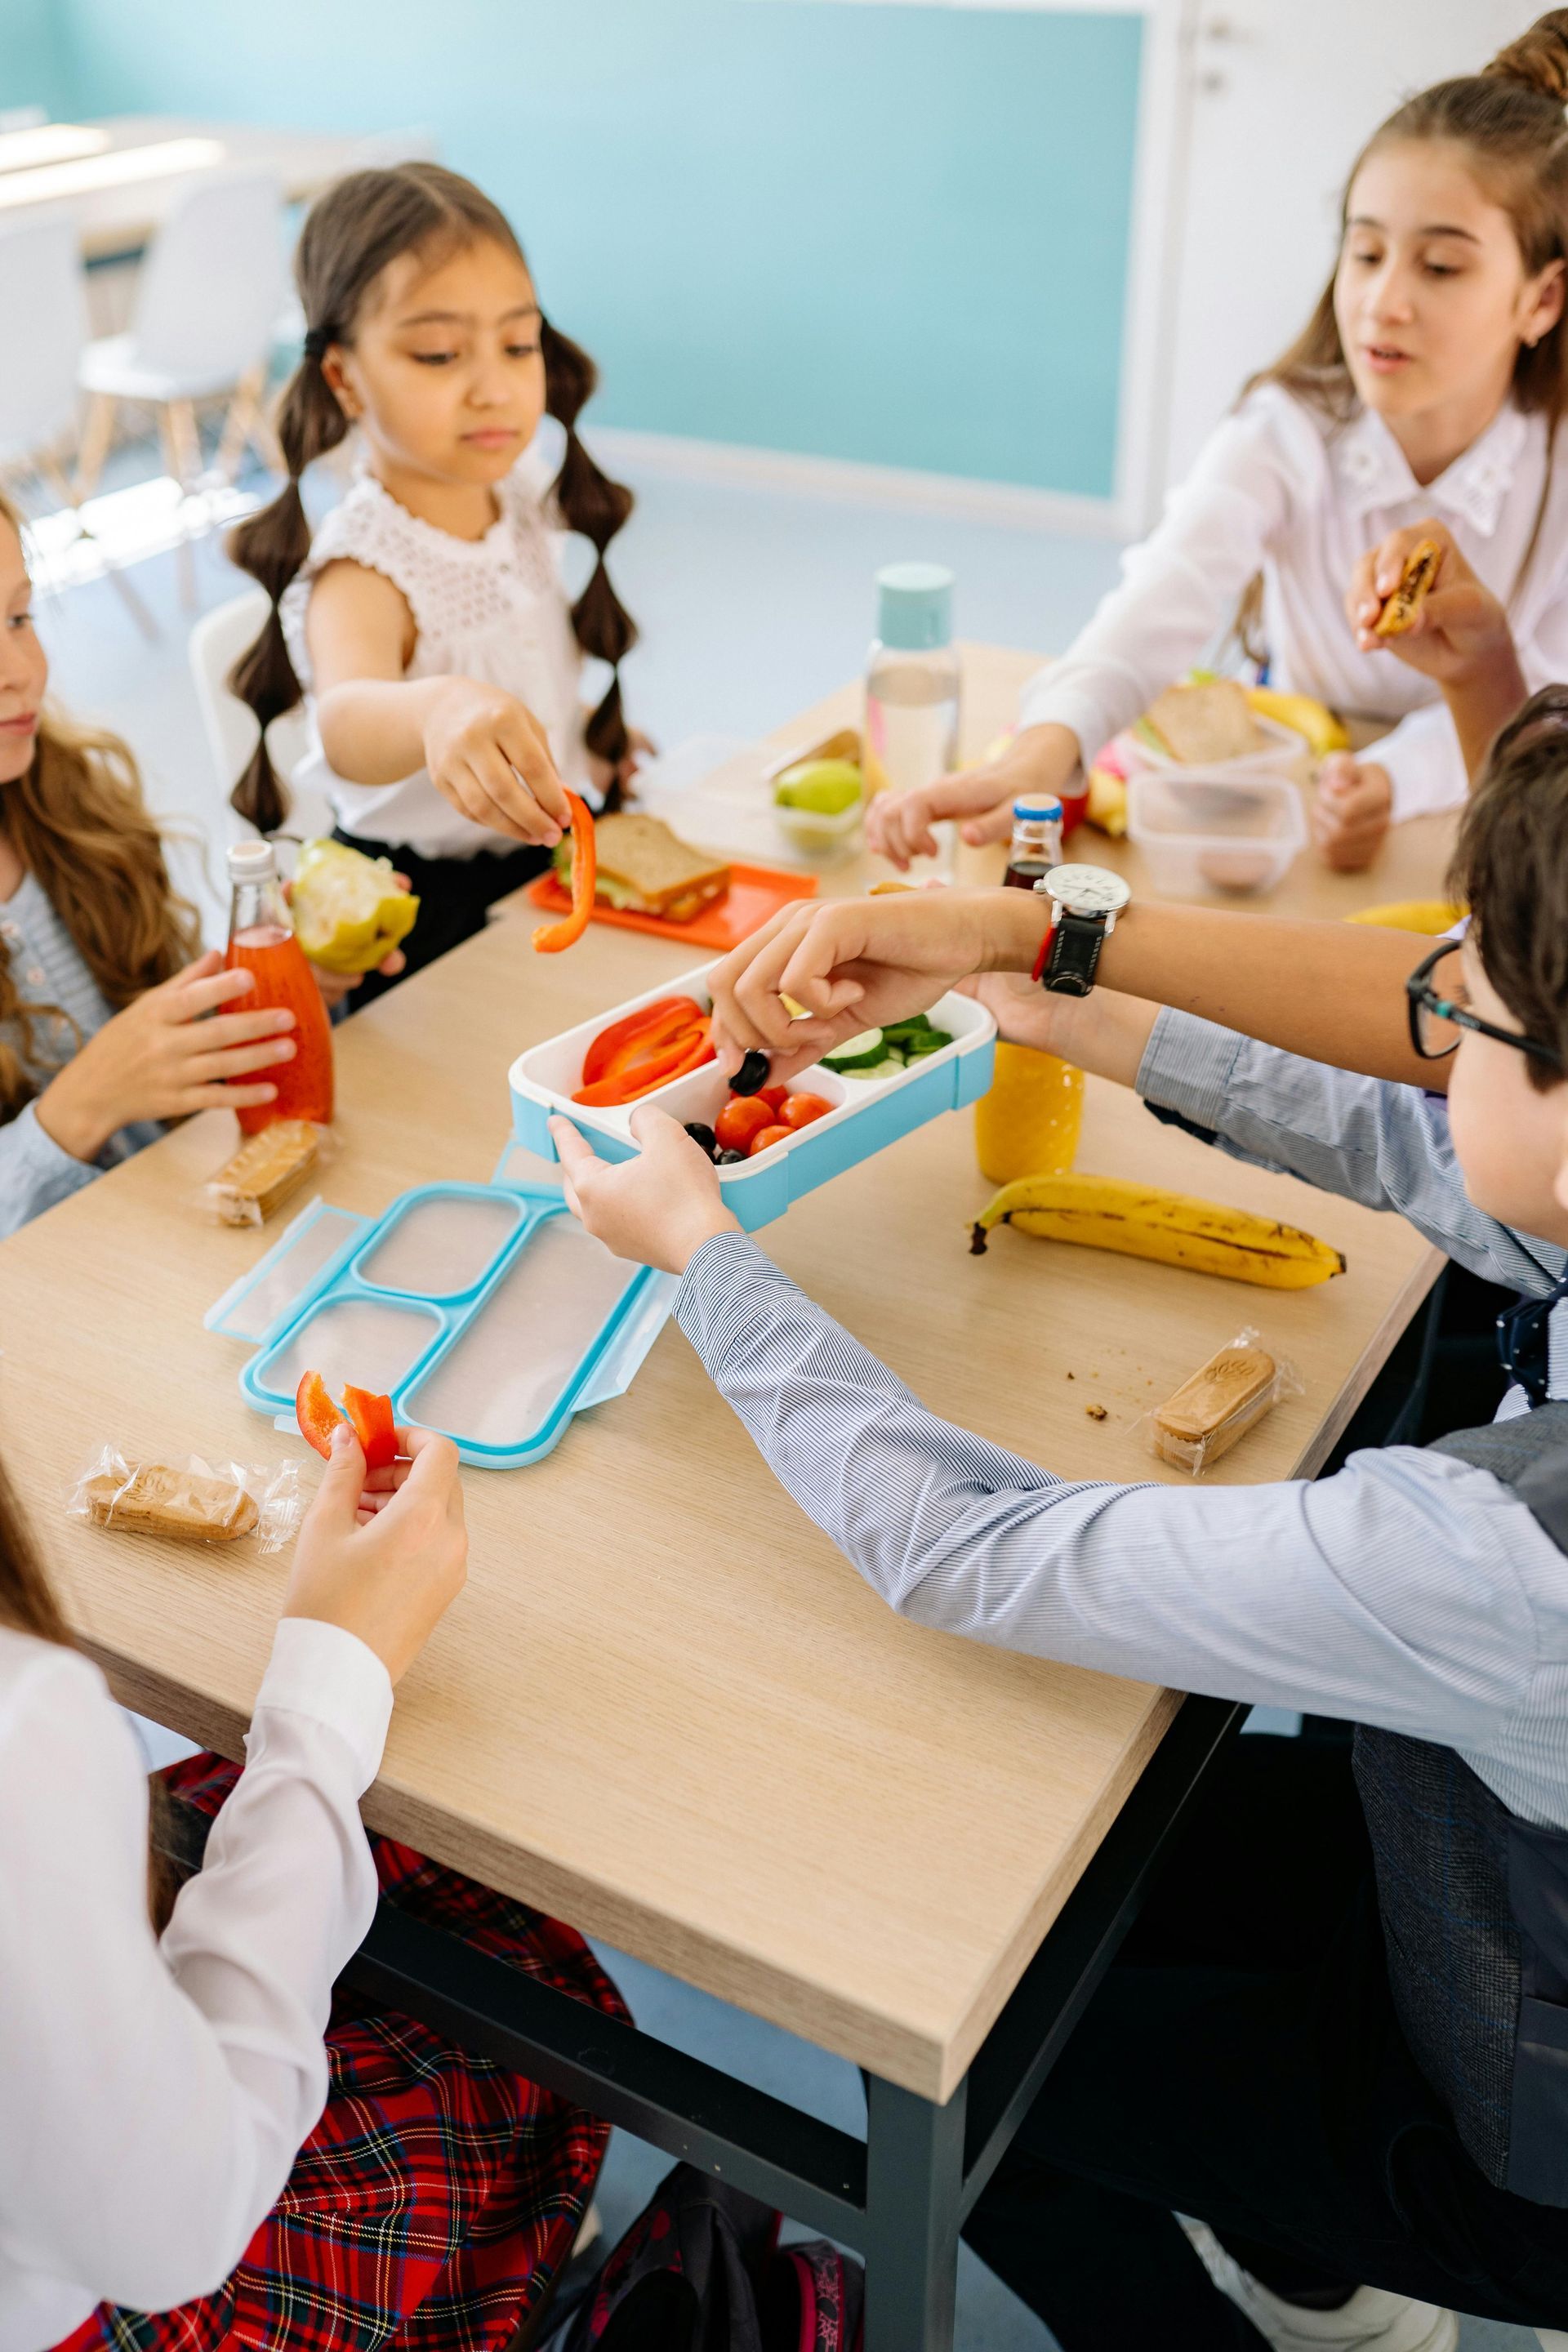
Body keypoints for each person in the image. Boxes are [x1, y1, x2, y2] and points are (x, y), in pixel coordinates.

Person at [549, 684, 1568, 2344]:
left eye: (1473, 1003)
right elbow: (1430, 1154)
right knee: (1076, 1870)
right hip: (1485, 1862)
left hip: (1518, 2134)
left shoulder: (1506, 1559)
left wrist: (701, 1255)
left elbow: (967, 1548)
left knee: (946, 2059)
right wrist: (1031, 995)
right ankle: (1316, 2266)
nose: (1428, 1018)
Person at [870, 10, 1568, 877]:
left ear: (1541, 299)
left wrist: (1390, 776)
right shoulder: (1287, 429)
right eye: (1366, 253)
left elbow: (1546, 704)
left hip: (1478, 816)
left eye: (1440, 267)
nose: (1383, 303)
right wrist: (1039, 753)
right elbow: (1162, 598)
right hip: (1293, 803)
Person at [2, 1423, 621, 2350]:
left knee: (242, 1817)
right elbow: (177, 2228)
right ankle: (522, 2253)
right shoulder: (23, 1724)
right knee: (522, 1994)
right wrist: (330, 1684)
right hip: (120, 2297)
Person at [227, 163, 644, 1004]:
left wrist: (584, 741)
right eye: (439, 354)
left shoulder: (516, 494)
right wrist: (438, 708)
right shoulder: (365, 559)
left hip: (540, 870)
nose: (494, 385)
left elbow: (528, 646)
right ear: (344, 377)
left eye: (519, 344)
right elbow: (345, 721)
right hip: (427, 917)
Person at [0, 495, 301, 1241]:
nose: (19, 672)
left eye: (17, 618)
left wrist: (270, 995)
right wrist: (75, 1112)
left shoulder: (73, 807)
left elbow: (164, 1080)